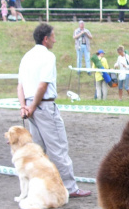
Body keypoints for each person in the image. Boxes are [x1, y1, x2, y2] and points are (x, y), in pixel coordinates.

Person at [17, 23, 91, 198]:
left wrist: (24, 107)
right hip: (43, 105)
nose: (55, 40)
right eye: (53, 36)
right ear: (46, 38)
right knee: (58, 147)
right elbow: (43, 85)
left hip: (29, 106)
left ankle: (37, 186)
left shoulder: (26, 57)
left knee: (37, 149)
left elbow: (20, 85)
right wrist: (34, 106)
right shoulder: (48, 57)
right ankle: (70, 187)